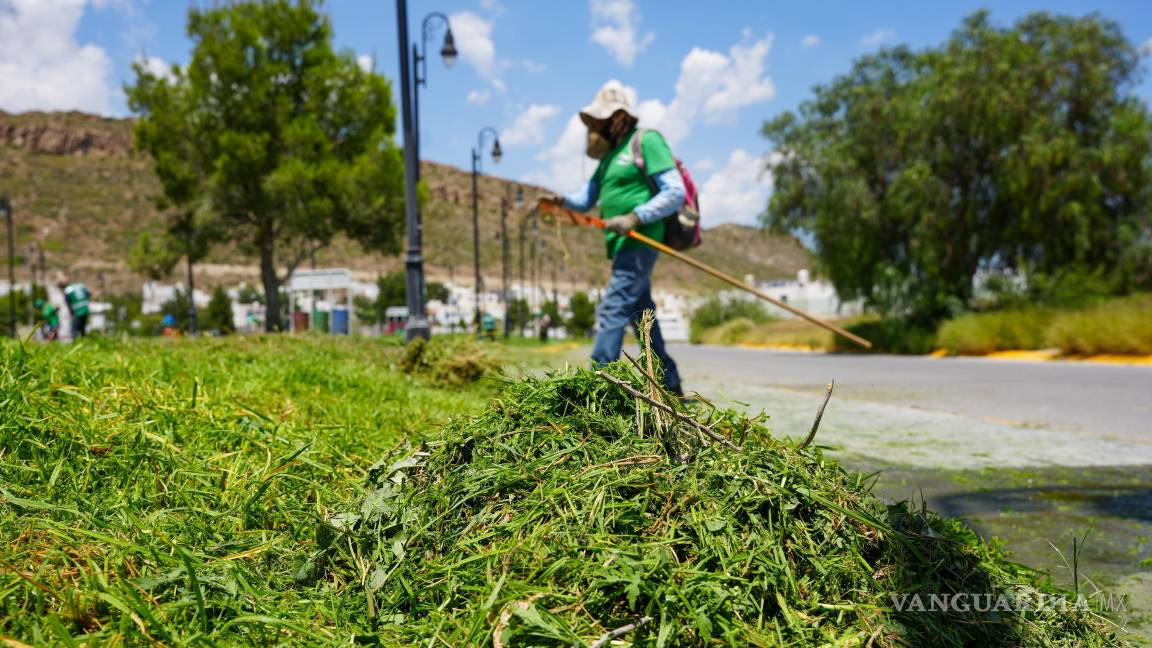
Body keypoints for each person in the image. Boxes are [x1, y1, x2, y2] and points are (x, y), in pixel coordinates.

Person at [547, 83, 685, 396]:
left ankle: (599, 386)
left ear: (618, 118)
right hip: (621, 246)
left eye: (599, 122)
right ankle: (671, 385)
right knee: (642, 318)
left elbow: (674, 192)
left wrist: (635, 217)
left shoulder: (646, 140)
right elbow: (585, 198)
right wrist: (561, 202)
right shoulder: (608, 159)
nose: (594, 130)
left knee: (612, 309)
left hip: (641, 240)